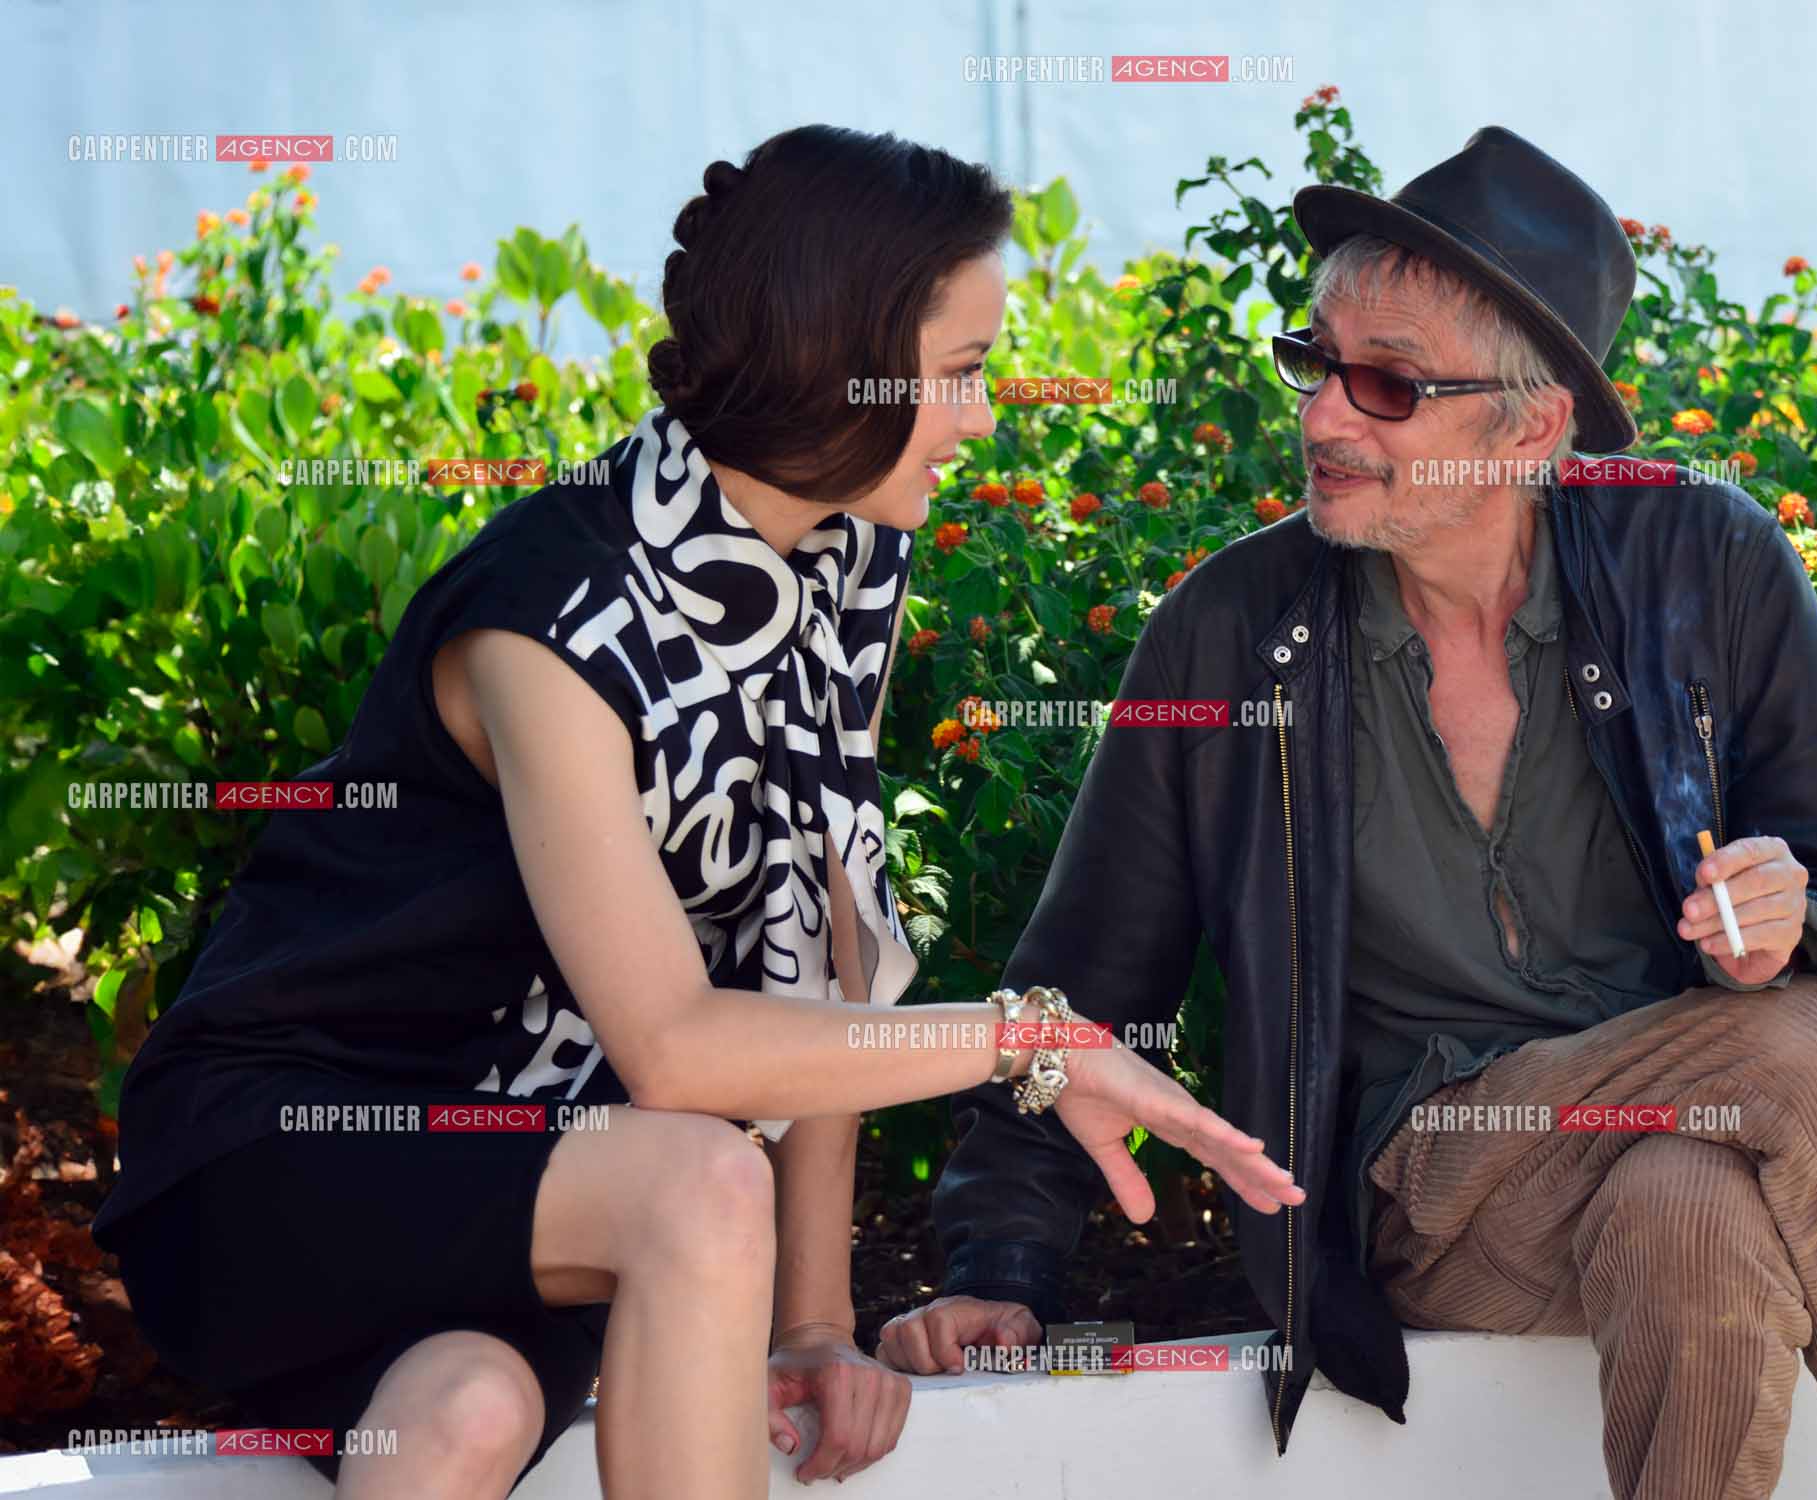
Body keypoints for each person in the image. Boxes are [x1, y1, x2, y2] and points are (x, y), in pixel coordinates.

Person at [88, 124, 1301, 1500]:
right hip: (290, 1157)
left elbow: (823, 937)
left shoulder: (842, 559)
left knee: (464, 1417)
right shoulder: (553, 617)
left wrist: (813, 1327)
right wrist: (1027, 1043)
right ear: (830, 354)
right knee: (695, 1178)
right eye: (960, 373)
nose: (983, 418)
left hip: (530, 1188)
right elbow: (677, 1054)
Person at [881, 127, 1817, 1500]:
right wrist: (1001, 1270)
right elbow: (1081, 982)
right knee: (1814, 1059)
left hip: (1672, 1146)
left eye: (1388, 385)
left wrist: (1788, 922)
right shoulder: (1232, 636)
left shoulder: (1699, 563)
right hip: (1429, 1179)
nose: (1322, 418)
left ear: (1530, 429)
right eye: (1317, 363)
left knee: (1689, 1206)